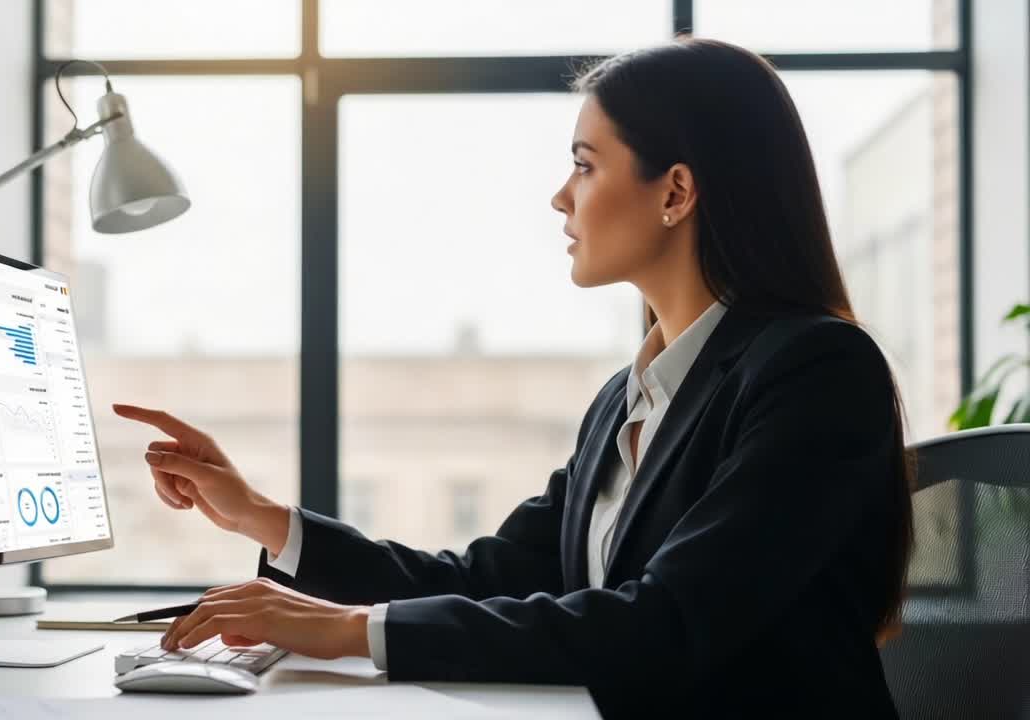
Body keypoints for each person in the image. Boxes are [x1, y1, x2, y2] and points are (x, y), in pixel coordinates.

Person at [113, 37, 913, 717]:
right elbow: (484, 578)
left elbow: (668, 621)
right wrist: (261, 517)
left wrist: (344, 629)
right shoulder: (626, 402)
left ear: (675, 191)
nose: (560, 196)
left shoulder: (816, 372)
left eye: (585, 166)